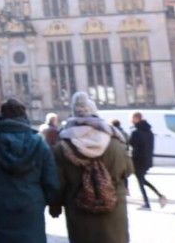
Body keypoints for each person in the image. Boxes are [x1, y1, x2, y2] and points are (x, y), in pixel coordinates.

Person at [0, 98, 58, 243]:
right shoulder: (39, 143)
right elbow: (50, 179)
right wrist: (53, 203)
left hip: (0, 208)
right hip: (31, 206)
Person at [49, 92, 132, 242]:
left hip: (79, 210)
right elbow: (128, 169)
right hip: (113, 208)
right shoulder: (115, 142)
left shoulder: (63, 146)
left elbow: (58, 182)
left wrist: (55, 205)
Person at [130, 111, 168, 210]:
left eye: (132, 118)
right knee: (142, 180)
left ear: (136, 119)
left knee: (141, 181)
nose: (131, 120)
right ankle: (159, 197)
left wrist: (132, 160)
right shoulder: (149, 131)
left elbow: (134, 149)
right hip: (147, 160)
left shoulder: (136, 132)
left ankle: (147, 203)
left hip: (138, 161)